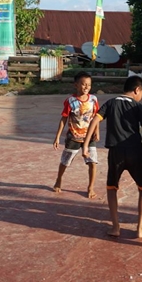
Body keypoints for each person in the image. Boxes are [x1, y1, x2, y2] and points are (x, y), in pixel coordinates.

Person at [82, 75, 142, 238]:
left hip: (116, 152)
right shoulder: (138, 106)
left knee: (112, 188)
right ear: (137, 90)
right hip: (135, 151)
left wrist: (86, 144)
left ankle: (115, 227)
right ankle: (140, 228)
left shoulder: (111, 103)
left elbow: (95, 121)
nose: (141, 96)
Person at [53, 71, 100, 199]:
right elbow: (63, 119)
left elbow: (97, 116)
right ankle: (59, 179)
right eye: (83, 84)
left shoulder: (93, 99)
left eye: (89, 85)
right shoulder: (70, 101)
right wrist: (57, 136)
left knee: (92, 162)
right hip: (73, 137)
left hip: (89, 137)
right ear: (76, 85)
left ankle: (90, 187)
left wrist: (97, 131)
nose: (86, 87)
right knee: (65, 162)